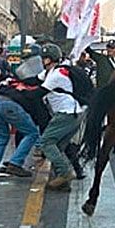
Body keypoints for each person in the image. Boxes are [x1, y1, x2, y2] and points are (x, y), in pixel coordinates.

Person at [38, 44, 85, 191]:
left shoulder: (56, 75)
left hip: (66, 114)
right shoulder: (50, 72)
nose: (41, 61)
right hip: (73, 114)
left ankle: (65, 173)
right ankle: (64, 183)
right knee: (58, 146)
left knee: (46, 143)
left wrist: (19, 93)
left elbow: (37, 92)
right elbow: (34, 79)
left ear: (49, 60)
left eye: (44, 58)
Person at [0, 81, 43, 181]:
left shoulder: (17, 84)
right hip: (10, 105)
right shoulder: (37, 92)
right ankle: (15, 163)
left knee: (2, 137)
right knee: (32, 133)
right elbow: (41, 118)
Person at [86, 40, 115, 153]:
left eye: (112, 48)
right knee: (96, 119)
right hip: (102, 94)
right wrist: (85, 38)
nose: (110, 50)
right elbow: (89, 51)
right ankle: (93, 145)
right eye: (108, 48)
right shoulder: (101, 59)